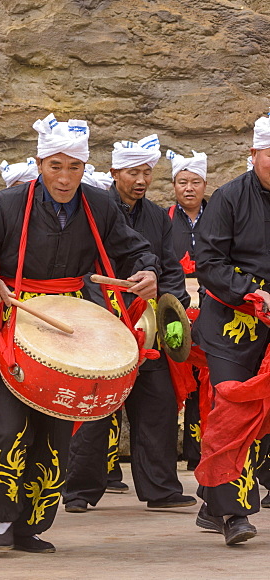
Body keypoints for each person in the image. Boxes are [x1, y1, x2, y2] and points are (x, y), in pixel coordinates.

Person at [0, 113, 159, 553]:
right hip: (13, 323)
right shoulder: (8, 204)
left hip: (70, 326)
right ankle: (1, 519)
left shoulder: (99, 205)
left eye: (74, 168)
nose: (64, 178)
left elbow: (133, 247)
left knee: (56, 436)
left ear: (85, 168)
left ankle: (31, 526)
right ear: (40, 164)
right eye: (55, 166)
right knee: (7, 428)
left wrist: (147, 270)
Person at [64, 134, 195, 514]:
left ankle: (161, 489)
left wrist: (175, 310)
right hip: (100, 323)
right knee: (97, 405)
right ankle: (80, 491)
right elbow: (78, 268)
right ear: (113, 173)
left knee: (157, 402)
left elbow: (169, 268)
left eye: (146, 173)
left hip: (146, 324)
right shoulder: (93, 209)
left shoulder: (156, 216)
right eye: (132, 172)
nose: (140, 180)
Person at [192, 112, 270, 545]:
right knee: (233, 409)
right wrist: (253, 294)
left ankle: (212, 498)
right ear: (254, 154)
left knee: (264, 416)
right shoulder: (228, 198)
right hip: (232, 322)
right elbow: (209, 263)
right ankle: (234, 513)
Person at [166, 149, 208, 471]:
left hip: (212, 307)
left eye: (195, 182)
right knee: (178, 381)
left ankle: (204, 449)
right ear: (174, 185)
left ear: (205, 185)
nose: (189, 188)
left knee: (208, 379)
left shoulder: (220, 216)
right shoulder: (163, 220)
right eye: (183, 182)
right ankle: (182, 452)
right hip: (175, 307)